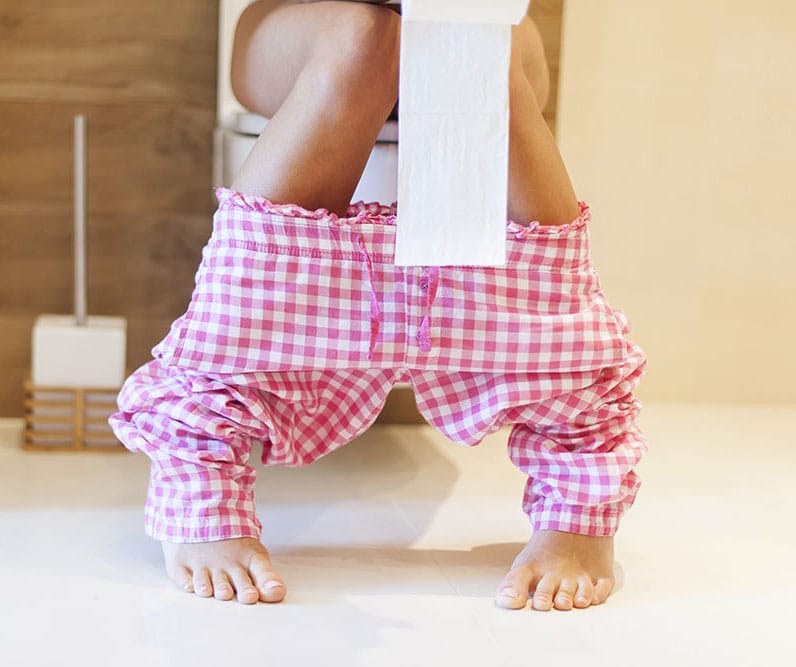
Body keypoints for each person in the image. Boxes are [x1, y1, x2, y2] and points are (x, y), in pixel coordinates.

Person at [110, 0, 647, 611]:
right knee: (363, 37)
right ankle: (202, 483)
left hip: (479, 30)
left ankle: (577, 509)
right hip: (310, 26)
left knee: (475, 45)